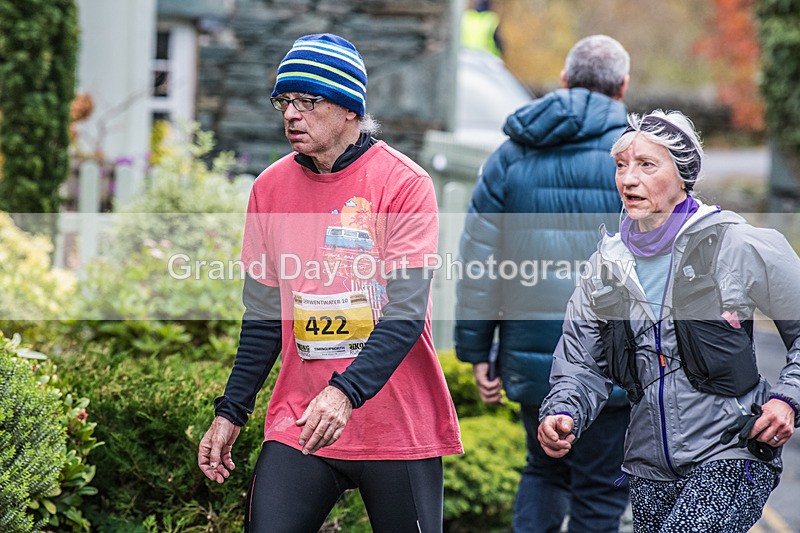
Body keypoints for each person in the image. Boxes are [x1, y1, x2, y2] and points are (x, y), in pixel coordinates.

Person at [197, 33, 463, 532]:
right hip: (301, 419)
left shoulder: (404, 184)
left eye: (307, 101)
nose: (291, 115)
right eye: (284, 101)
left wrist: (344, 393)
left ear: (349, 110)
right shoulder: (269, 188)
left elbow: (405, 312)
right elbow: (263, 317)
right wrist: (231, 410)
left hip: (395, 419)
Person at [538, 109, 800, 532]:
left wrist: (787, 398)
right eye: (622, 166)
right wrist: (562, 410)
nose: (628, 179)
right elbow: (581, 365)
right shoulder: (605, 267)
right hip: (648, 469)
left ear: (682, 175)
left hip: (732, 453)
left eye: (646, 165)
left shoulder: (738, 244)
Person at [454, 35, 631, 532]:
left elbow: (479, 261)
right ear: (622, 86)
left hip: (534, 356)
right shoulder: (644, 160)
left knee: (543, 469)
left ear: (563, 81)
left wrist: (477, 352)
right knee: (600, 490)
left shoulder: (512, 154)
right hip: (611, 364)